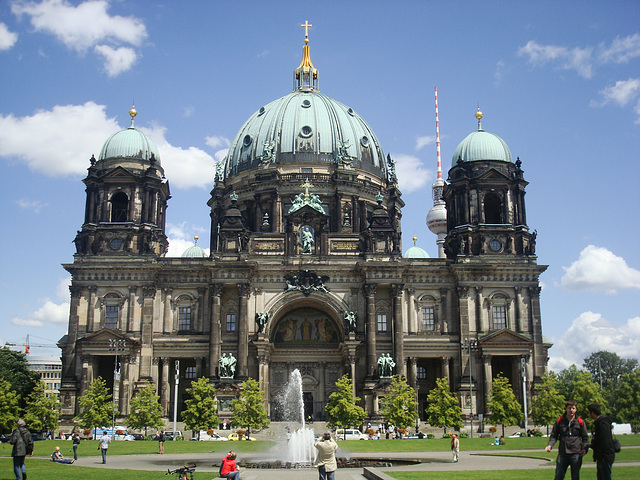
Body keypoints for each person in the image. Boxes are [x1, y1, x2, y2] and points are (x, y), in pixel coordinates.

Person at [545, 400, 589, 480]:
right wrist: (550, 445)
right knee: (559, 476)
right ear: (566, 409)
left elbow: (585, 438)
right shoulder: (560, 421)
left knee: (575, 476)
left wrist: (585, 449)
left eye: (573, 408)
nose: (571, 410)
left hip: (575, 452)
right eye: (569, 408)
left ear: (576, 409)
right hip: (563, 452)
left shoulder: (580, 422)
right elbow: (554, 435)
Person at [588, 403, 615, 480]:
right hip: (603, 456)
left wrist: (598, 450)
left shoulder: (602, 423)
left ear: (592, 413)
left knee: (605, 476)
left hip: (604, 456)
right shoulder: (601, 422)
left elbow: (604, 441)